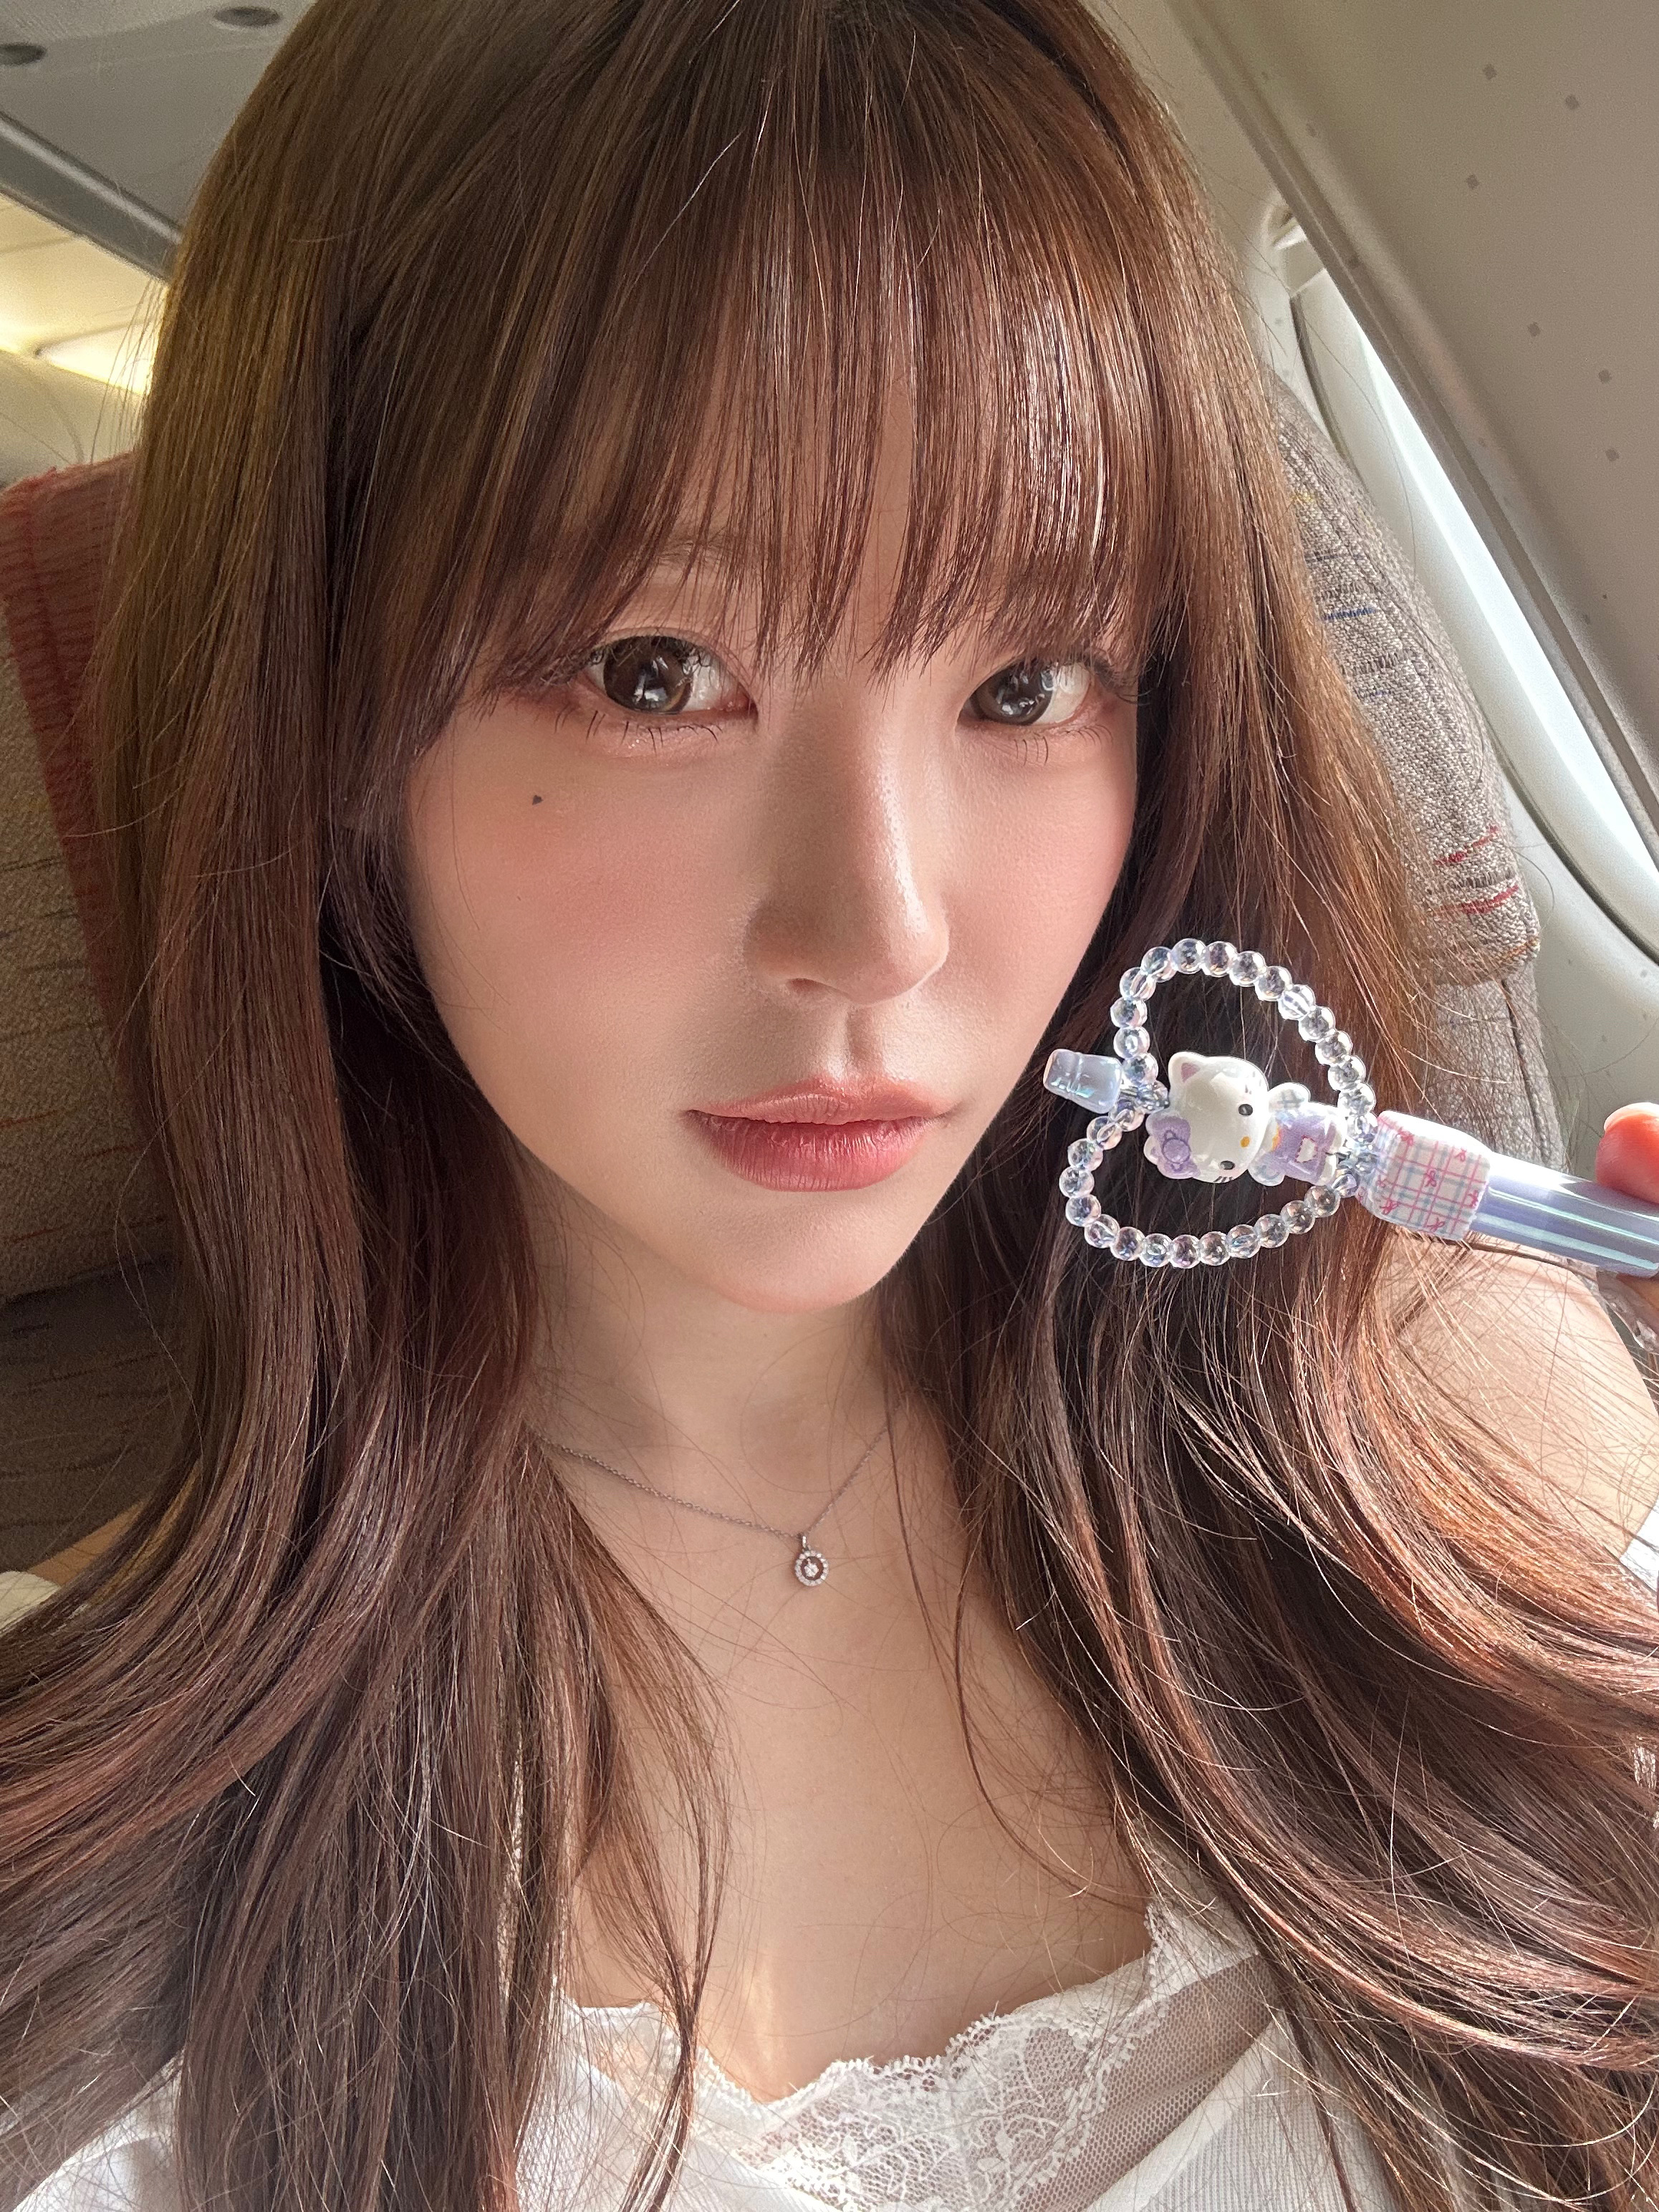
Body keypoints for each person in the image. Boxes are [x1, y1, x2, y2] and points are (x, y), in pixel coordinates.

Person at [4, 1, 1658, 2205]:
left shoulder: (1472, 1420)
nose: (879, 931)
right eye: (652, 671)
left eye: (1024, 681)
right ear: (324, 729)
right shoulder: (67, 1857)